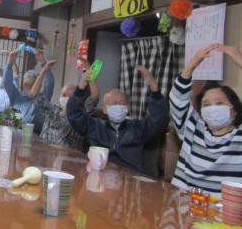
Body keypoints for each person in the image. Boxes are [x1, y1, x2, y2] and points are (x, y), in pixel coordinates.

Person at [67, 64, 169, 175]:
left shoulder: (137, 128)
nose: (118, 106)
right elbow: (74, 115)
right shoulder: (95, 126)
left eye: (121, 103)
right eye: (114, 103)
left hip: (130, 177)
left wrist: (155, 90)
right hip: (100, 174)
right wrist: (80, 89)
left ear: (128, 108)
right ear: (104, 108)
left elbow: (159, 121)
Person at [170, 44, 242, 196]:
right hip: (183, 205)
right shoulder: (192, 127)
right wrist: (193, 63)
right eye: (206, 104)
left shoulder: (239, 137)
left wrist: (240, 61)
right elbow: (177, 99)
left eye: (219, 103)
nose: (212, 108)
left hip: (223, 209)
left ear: (234, 109)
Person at [3, 49, 56, 125]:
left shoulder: (43, 98)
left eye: (29, 85)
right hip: (15, 130)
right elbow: (7, 82)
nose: (25, 86)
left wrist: (44, 63)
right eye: (25, 84)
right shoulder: (17, 97)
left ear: (39, 86)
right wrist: (9, 64)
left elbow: (50, 83)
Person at [38, 84, 97, 151]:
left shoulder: (80, 114)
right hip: (44, 151)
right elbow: (34, 95)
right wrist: (41, 76)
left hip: (68, 154)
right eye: (63, 95)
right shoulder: (53, 109)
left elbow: (95, 96)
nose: (63, 98)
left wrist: (90, 78)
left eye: (69, 96)